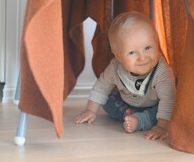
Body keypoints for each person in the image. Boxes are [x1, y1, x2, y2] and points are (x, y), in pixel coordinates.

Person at [74, 11, 176, 141]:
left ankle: (140, 121)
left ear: (157, 44)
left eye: (148, 47)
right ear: (118, 56)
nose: (142, 57)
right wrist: (90, 110)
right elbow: (101, 87)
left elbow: (168, 99)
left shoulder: (161, 72)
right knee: (108, 99)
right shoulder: (115, 68)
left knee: (166, 108)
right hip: (127, 103)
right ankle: (130, 115)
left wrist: (163, 126)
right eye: (132, 52)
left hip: (154, 106)